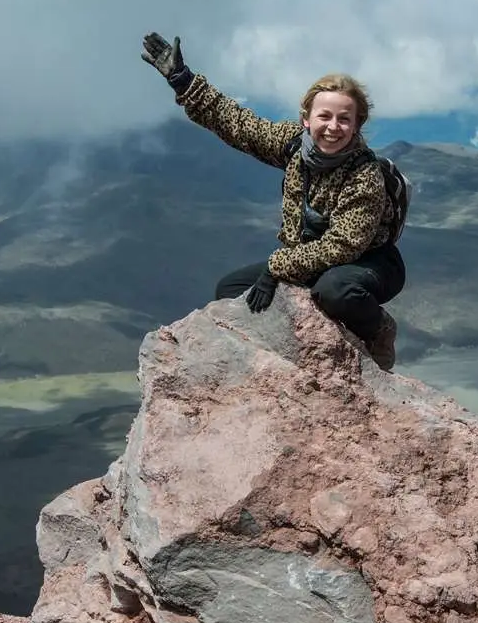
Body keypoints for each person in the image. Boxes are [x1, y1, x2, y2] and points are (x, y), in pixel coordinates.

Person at [141, 32, 404, 371]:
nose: (333, 127)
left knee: (334, 291)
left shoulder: (365, 174)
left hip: (370, 264)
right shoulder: (294, 145)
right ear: (306, 119)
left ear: (356, 126)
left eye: (344, 119)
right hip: (307, 257)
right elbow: (239, 125)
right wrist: (184, 81)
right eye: (325, 116)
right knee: (232, 289)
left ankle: (378, 328)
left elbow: (343, 246)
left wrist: (277, 266)